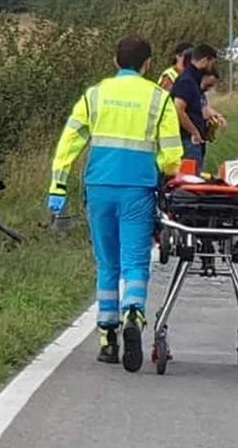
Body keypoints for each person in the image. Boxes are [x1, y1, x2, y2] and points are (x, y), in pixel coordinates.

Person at [47, 35, 183, 372]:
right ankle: (133, 311)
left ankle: (108, 340)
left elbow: (69, 141)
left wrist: (58, 186)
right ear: (148, 64)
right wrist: (169, 173)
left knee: (106, 261)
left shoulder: (94, 95)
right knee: (135, 260)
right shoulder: (159, 98)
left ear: (115, 61)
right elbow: (171, 156)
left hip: (99, 187)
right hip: (137, 187)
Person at [171, 43, 218, 170]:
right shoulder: (187, 81)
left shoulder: (193, 80)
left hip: (192, 141)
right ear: (204, 60)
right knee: (190, 182)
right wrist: (195, 132)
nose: (212, 67)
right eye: (211, 63)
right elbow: (178, 108)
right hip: (188, 141)